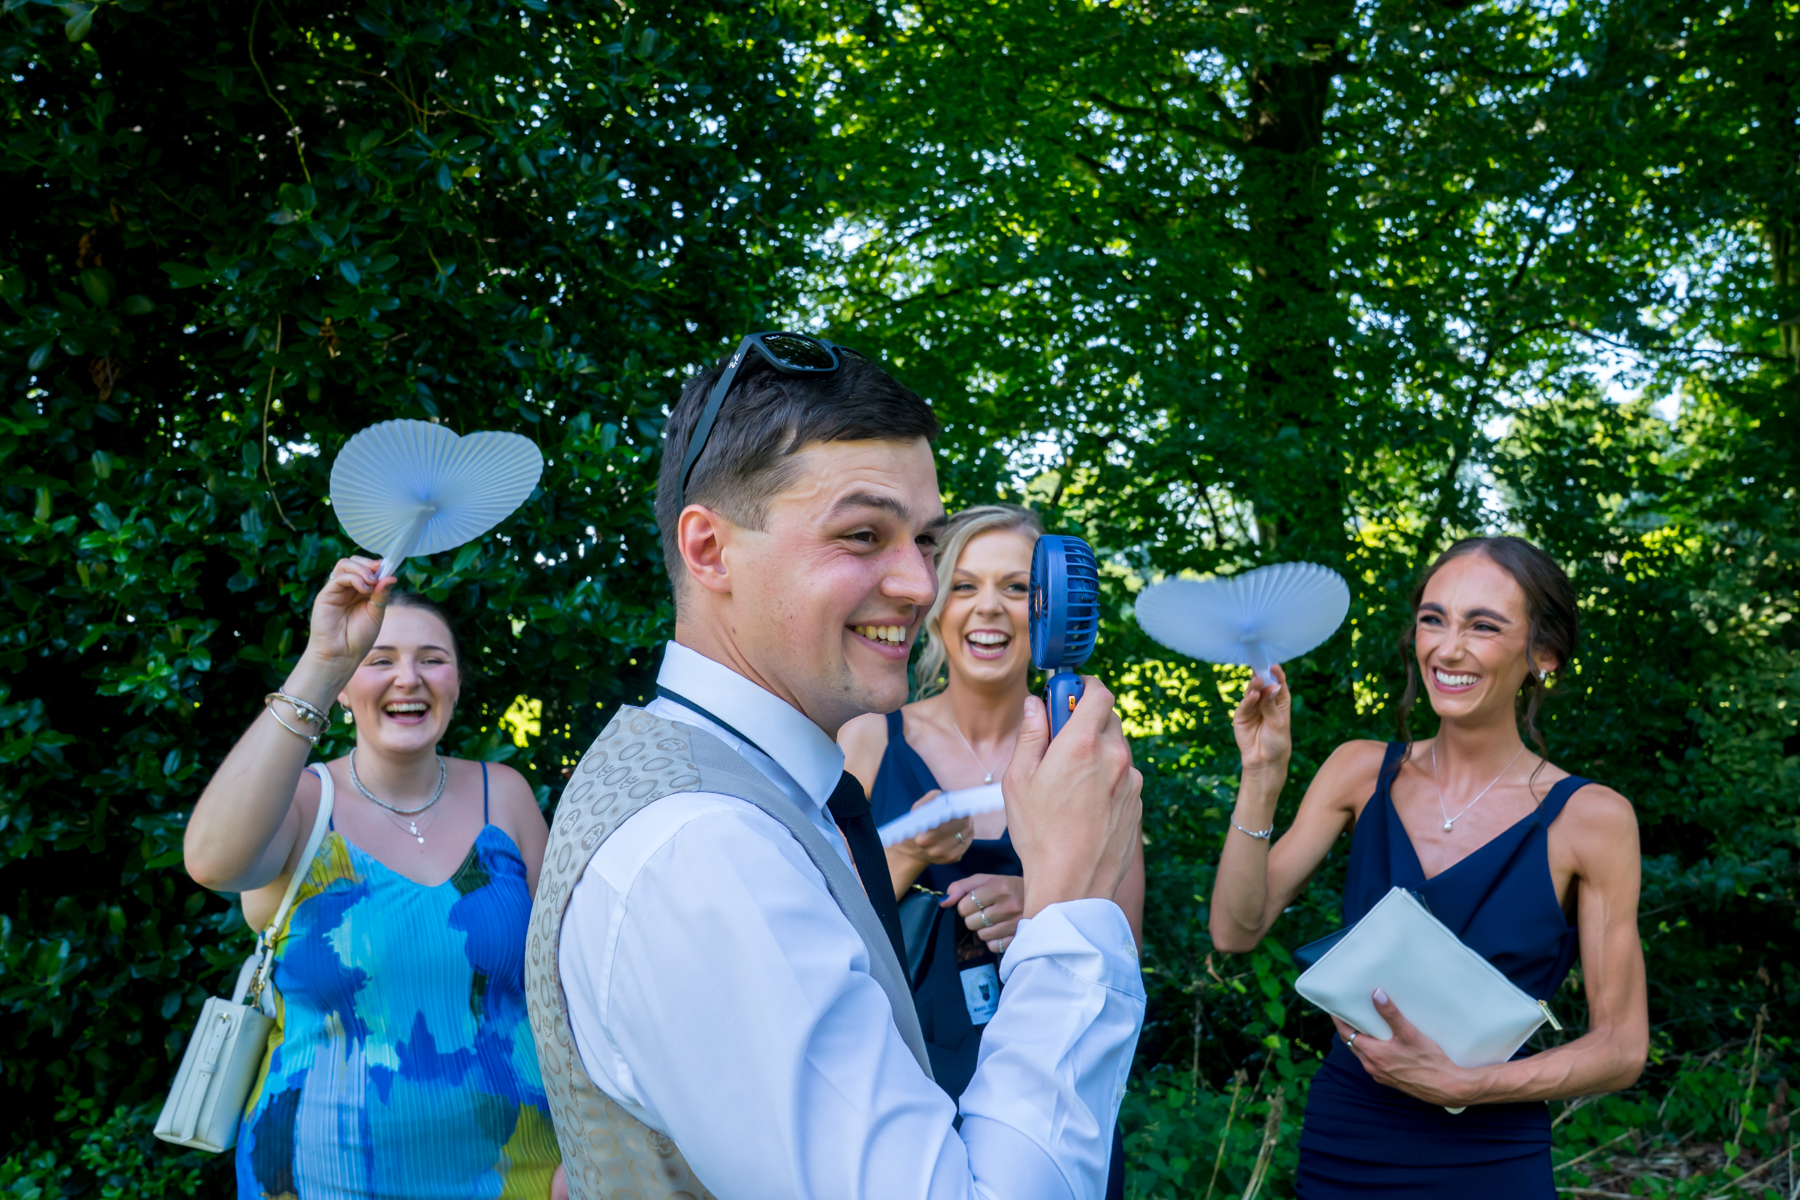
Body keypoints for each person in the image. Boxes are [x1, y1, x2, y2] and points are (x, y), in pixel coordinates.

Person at [525, 331, 1145, 1200]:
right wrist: (1071, 900)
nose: (921, 586)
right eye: (862, 535)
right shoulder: (706, 852)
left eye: (924, 541)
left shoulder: (762, 790)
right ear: (709, 550)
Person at [1210, 536, 1648, 1198]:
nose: (1448, 647)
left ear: (1545, 656)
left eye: (1483, 625)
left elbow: (1620, 1048)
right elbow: (1235, 931)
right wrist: (1263, 773)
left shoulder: (1592, 819)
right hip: (1345, 1143)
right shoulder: (1359, 770)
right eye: (1433, 618)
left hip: (1489, 1159)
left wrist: (1467, 1085)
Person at [184, 580, 565, 1199]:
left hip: (517, 1164)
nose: (408, 678)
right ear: (342, 690)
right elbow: (213, 863)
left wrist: (585, 1145)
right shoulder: (301, 805)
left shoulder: (507, 794)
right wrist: (324, 658)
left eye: (432, 659)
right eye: (378, 660)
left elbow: (562, 988)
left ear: (457, 683)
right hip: (324, 1173)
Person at [839, 503, 1145, 1177]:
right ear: (936, 603)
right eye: (965, 585)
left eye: (1015, 588)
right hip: (898, 1087)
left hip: (1057, 1097)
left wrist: (1038, 899)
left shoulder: (1088, 754)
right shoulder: (864, 738)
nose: (989, 609)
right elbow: (826, 934)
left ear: (1047, 613)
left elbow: (1124, 944)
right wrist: (912, 850)